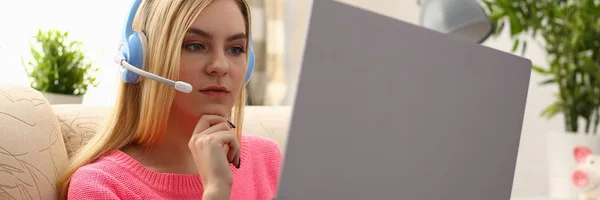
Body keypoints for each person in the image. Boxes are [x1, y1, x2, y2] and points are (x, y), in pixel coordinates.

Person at [55, 0, 282, 199]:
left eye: (235, 49)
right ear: (143, 61)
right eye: (195, 46)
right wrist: (216, 191)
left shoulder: (268, 160)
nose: (220, 66)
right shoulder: (101, 186)